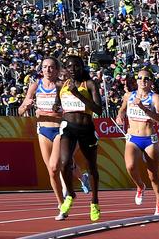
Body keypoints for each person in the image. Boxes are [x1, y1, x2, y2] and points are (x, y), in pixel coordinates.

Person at [18, 56, 68, 212]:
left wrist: (51, 113)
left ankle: (73, 179)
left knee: (54, 166)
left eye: (51, 67)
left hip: (60, 129)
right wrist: (25, 107)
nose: (48, 70)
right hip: (43, 131)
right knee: (52, 171)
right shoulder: (35, 86)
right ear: (41, 69)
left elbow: (68, 114)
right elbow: (20, 111)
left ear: (57, 70)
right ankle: (61, 203)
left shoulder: (62, 86)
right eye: (45, 67)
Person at [56, 54, 102, 222]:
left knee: (91, 167)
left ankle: (94, 201)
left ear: (82, 67)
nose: (73, 69)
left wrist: (79, 95)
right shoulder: (62, 85)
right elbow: (58, 103)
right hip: (68, 128)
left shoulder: (89, 84)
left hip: (86, 129)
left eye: (76, 66)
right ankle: (71, 194)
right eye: (69, 66)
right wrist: (55, 106)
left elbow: (98, 110)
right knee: (64, 162)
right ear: (65, 69)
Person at [117, 68, 159, 215]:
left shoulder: (155, 97)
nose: (142, 81)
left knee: (153, 175)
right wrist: (120, 116)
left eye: (146, 78)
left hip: (150, 139)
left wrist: (143, 108)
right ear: (136, 80)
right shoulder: (129, 95)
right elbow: (121, 110)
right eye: (140, 78)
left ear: (150, 82)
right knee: (130, 166)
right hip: (133, 137)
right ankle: (140, 186)